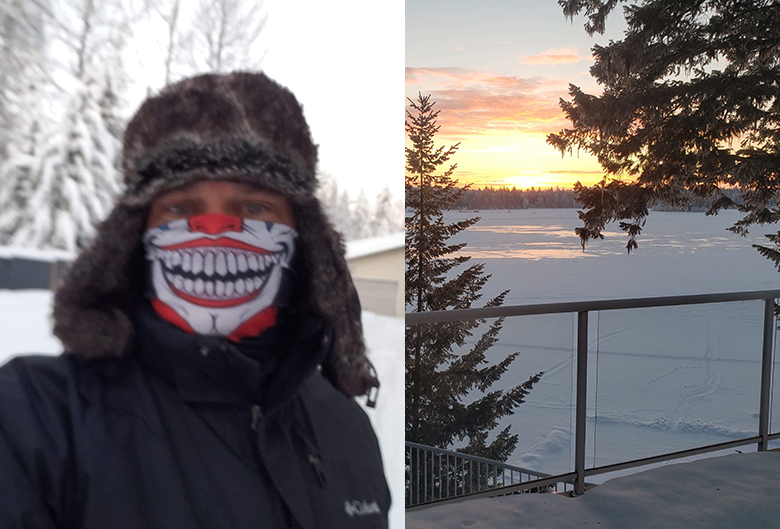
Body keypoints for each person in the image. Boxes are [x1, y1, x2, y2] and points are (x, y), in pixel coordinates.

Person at [0, 72, 390, 528]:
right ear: (134, 236)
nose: (214, 230)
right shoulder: (35, 419)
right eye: (181, 208)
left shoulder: (345, 425)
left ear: (302, 237)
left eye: (253, 207)